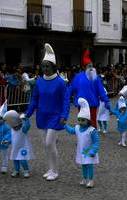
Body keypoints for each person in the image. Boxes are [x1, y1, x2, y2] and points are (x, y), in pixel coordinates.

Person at [25, 43, 70, 181]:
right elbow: (34, 99)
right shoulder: (39, 81)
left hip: (55, 116)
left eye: (47, 66)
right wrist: (27, 114)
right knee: (45, 145)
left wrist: (64, 115)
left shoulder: (60, 82)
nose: (45, 69)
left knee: (50, 143)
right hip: (42, 116)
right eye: (43, 66)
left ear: (53, 67)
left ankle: (55, 171)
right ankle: (50, 168)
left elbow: (65, 100)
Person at [69, 49, 110, 128]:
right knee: (83, 124)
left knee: (92, 123)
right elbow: (71, 89)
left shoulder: (96, 77)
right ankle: (84, 139)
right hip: (81, 106)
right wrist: (65, 99)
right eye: (89, 66)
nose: (91, 68)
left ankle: (94, 139)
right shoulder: (78, 77)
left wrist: (106, 101)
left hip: (92, 105)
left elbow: (101, 90)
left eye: (92, 66)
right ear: (84, 67)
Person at [65, 98, 100, 188]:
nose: (80, 122)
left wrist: (93, 151)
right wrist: (65, 125)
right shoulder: (77, 128)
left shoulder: (92, 130)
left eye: (83, 120)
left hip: (89, 151)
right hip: (81, 151)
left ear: (88, 120)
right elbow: (71, 131)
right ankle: (84, 178)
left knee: (89, 165)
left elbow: (96, 142)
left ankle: (91, 180)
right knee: (83, 165)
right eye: (79, 120)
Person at [3, 110, 34, 178]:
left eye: (16, 126)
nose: (15, 128)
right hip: (15, 148)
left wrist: (26, 119)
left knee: (23, 160)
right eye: (14, 127)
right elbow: (11, 138)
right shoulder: (12, 130)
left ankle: (26, 170)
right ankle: (17, 170)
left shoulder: (23, 129)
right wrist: (7, 141)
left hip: (22, 147)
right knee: (15, 159)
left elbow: (27, 126)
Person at [0, 101, 11, 174]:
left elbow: (9, 134)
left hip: (3, 143)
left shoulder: (6, 126)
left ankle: (4, 166)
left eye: (1, 118)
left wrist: (7, 140)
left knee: (4, 154)